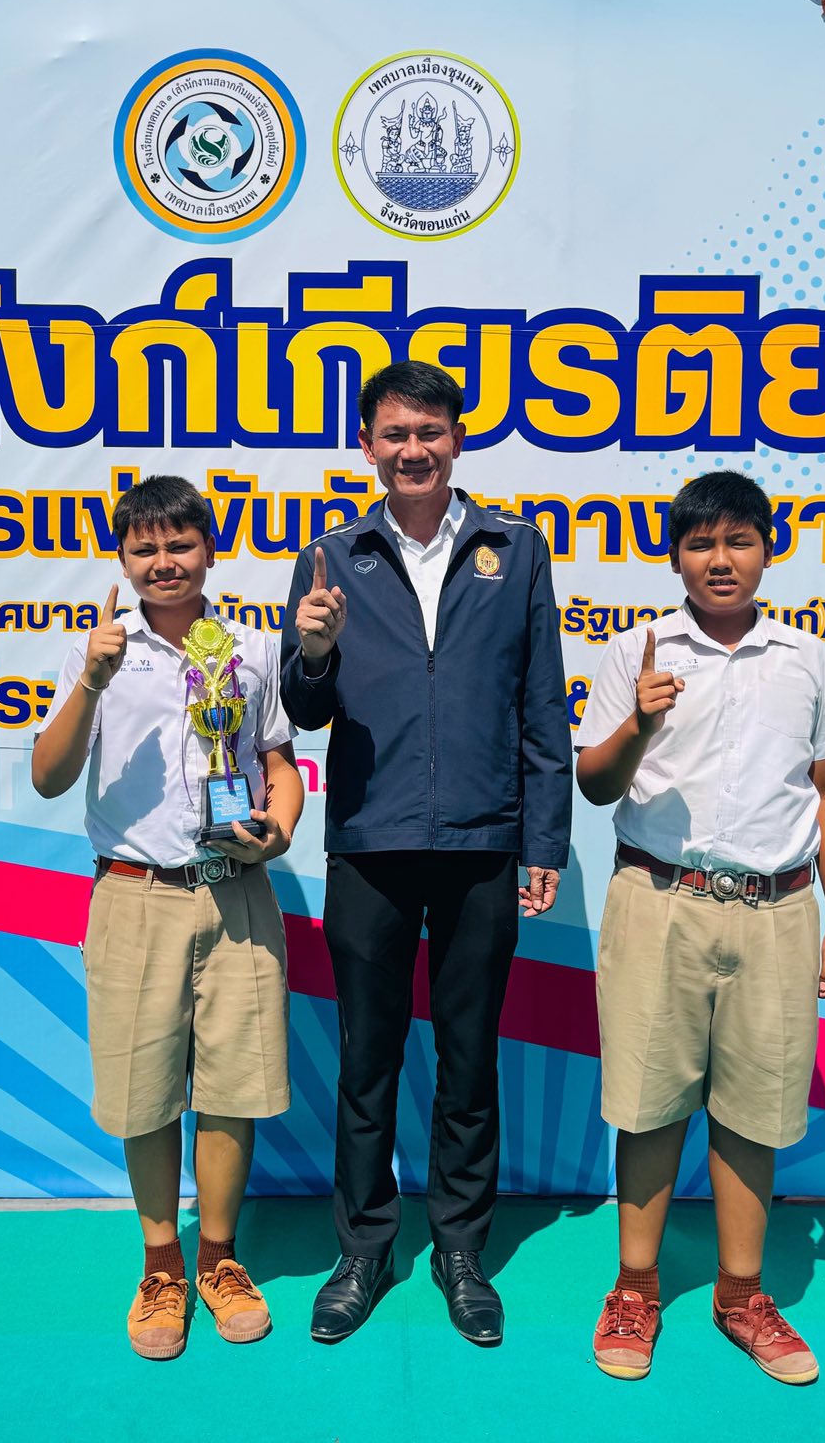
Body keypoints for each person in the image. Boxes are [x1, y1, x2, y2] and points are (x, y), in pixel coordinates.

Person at [279, 359, 572, 1347]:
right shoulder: (330, 558)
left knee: (468, 1056)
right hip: (371, 841)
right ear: (366, 444)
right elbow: (303, 708)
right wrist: (314, 650)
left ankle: (459, 1247)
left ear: (457, 439)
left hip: (483, 843)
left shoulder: (514, 550)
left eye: (430, 432)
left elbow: (540, 704)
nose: (413, 450)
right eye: (395, 434)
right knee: (367, 1060)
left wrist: (543, 837)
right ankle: (362, 1248)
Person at [573, 470, 825, 1385]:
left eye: (739, 540)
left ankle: (742, 1295)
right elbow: (595, 783)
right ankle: (635, 1287)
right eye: (700, 543)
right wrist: (637, 722)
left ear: (769, 549)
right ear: (676, 557)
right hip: (660, 902)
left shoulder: (805, 657)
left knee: (754, 1110)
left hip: (778, 911)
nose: (720, 559)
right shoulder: (637, 649)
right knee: (650, 1103)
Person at [31, 475, 304, 1361]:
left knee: (233, 1089)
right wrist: (90, 680)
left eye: (179, 544)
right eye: (143, 548)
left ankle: (219, 1259)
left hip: (237, 892)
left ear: (209, 550)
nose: (163, 562)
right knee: (145, 1091)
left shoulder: (249, 650)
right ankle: (160, 1267)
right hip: (135, 894)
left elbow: (278, 763)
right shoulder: (98, 652)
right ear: (122, 559)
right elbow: (48, 775)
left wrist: (279, 828)